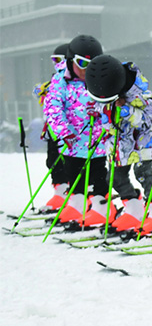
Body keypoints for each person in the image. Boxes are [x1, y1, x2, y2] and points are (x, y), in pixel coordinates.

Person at [85, 54, 152, 233]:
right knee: (114, 177)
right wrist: (97, 111)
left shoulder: (139, 92)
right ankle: (133, 210)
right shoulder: (103, 88)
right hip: (118, 141)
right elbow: (104, 110)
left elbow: (151, 117)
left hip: (141, 139)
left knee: (143, 173)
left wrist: (125, 110)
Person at [42, 34, 114, 226]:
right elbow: (53, 108)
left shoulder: (99, 79)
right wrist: (64, 132)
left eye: (91, 64)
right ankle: (76, 204)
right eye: (81, 63)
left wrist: (102, 115)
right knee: (74, 173)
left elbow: (111, 104)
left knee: (98, 174)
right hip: (72, 141)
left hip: (97, 142)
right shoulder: (60, 81)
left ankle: (101, 205)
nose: (85, 70)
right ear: (70, 60)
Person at [34, 43, 72, 211]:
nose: (55, 63)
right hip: (53, 126)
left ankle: (76, 194)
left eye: (58, 59)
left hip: (67, 127)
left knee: (68, 161)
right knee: (52, 160)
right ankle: (61, 192)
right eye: (53, 60)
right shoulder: (56, 78)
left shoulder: (71, 79)